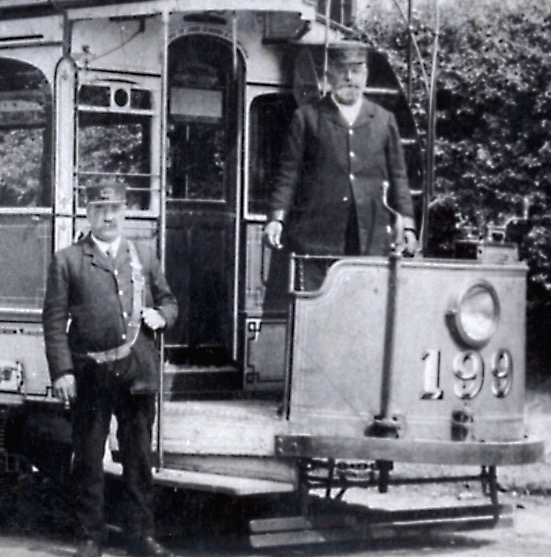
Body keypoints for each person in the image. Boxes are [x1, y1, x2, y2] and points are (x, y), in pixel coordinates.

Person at [42, 182, 178, 557]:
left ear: (125, 211)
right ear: (87, 213)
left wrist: (161, 315)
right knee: (88, 459)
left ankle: (141, 535)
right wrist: (62, 372)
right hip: (90, 375)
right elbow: (53, 321)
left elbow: (169, 301)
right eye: (100, 208)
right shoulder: (68, 260)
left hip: (137, 374)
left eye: (115, 207)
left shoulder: (144, 257)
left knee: (138, 460)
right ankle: (90, 536)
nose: (108, 215)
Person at [263, 40, 417, 290]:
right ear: (329, 74)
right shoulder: (307, 118)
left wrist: (408, 226)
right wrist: (277, 219)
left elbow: (399, 178)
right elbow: (288, 174)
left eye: (356, 71)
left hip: (368, 240)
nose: (349, 77)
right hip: (315, 238)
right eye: (342, 70)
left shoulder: (384, 120)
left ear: (365, 75)